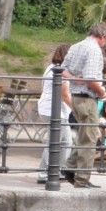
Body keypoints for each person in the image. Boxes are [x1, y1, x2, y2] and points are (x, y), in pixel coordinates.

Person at [60, 22, 106, 188]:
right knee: (89, 139)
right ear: (103, 37)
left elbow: (62, 69)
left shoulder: (76, 46)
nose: (105, 44)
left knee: (87, 135)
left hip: (76, 98)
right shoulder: (94, 49)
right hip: (87, 99)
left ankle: (69, 167)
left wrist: (74, 79)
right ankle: (82, 179)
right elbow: (90, 78)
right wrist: (102, 92)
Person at [36, 45, 73, 184]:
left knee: (66, 142)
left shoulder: (51, 68)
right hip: (54, 111)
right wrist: (77, 110)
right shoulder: (61, 71)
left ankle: (57, 170)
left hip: (52, 110)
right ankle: (44, 173)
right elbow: (65, 95)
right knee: (54, 142)